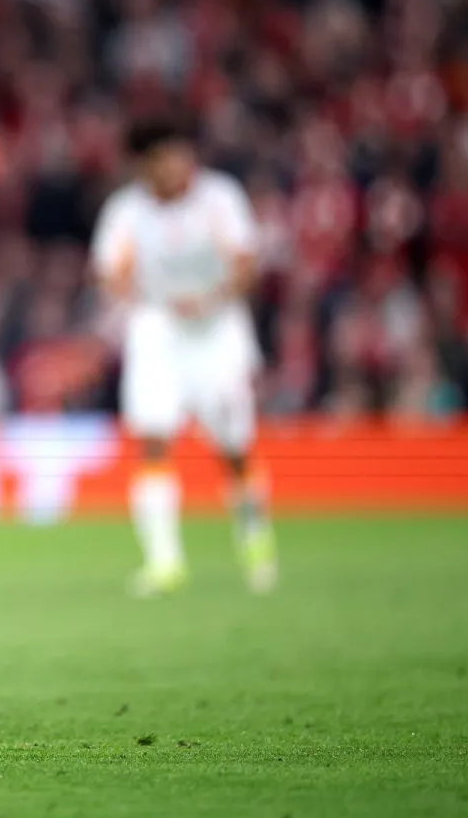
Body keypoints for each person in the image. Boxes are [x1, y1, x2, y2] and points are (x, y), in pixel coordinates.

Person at [91, 120, 280, 597]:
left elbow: (247, 262)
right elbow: (107, 271)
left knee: (234, 446)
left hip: (217, 329)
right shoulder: (127, 210)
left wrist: (213, 297)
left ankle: (255, 539)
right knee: (153, 439)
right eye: (165, 158)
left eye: (181, 155)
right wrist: (143, 295)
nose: (177, 166)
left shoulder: (220, 197)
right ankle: (164, 562)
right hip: (159, 328)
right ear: (146, 165)